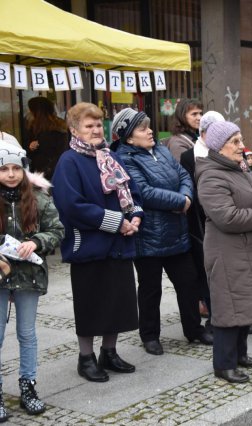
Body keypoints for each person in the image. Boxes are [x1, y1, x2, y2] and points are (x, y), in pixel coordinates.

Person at [52, 102, 143, 383]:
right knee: (91, 303)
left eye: (97, 125)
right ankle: (86, 357)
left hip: (119, 244)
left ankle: (109, 352)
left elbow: (132, 191)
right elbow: (71, 205)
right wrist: (117, 222)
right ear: (74, 130)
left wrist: (136, 215)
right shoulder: (69, 161)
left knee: (117, 301)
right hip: (88, 246)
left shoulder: (110, 157)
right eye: (88, 126)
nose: (94, 130)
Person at [111, 108, 213, 356]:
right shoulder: (124, 158)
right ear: (129, 138)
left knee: (188, 283)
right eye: (143, 128)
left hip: (176, 232)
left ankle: (193, 329)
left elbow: (183, 175)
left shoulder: (161, 150)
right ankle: (150, 336)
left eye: (149, 126)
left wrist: (187, 195)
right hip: (148, 236)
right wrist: (180, 202)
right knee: (150, 288)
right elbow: (143, 192)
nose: (150, 131)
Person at [195, 121, 252, 383]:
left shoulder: (239, 168)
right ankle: (224, 364)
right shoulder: (211, 175)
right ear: (219, 147)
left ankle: (240, 355)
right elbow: (227, 217)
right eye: (234, 141)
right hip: (227, 251)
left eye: (240, 139)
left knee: (245, 304)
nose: (241, 146)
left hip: (249, 249)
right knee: (228, 308)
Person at [0, 141, 64, 418]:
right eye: (4, 169)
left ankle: (28, 386)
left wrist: (37, 242)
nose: (11, 174)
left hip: (28, 276)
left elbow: (57, 230)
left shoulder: (38, 199)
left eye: (16, 168)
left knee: (27, 333)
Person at [180, 110, 225, 330]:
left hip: (227, 219)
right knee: (208, 270)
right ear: (204, 133)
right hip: (201, 221)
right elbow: (189, 187)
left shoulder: (228, 151)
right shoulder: (189, 156)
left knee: (229, 270)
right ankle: (214, 314)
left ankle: (232, 314)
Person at [24, 96, 69, 180]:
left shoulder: (58, 128)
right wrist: (30, 147)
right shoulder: (32, 126)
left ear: (36, 111)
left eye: (30, 109)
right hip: (41, 173)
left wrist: (45, 171)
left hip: (49, 174)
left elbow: (61, 152)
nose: (28, 112)